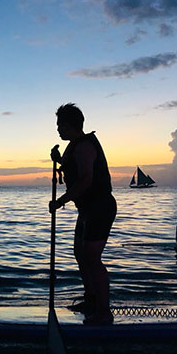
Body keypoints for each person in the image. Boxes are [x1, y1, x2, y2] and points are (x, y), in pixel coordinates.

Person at [49, 103, 117, 325]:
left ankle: (104, 311)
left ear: (70, 125)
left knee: (92, 258)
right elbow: (74, 168)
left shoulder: (85, 146)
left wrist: (61, 201)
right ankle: (90, 300)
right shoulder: (76, 146)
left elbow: (86, 179)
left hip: (100, 207)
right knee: (79, 253)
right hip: (87, 209)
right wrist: (59, 159)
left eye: (60, 125)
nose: (58, 129)